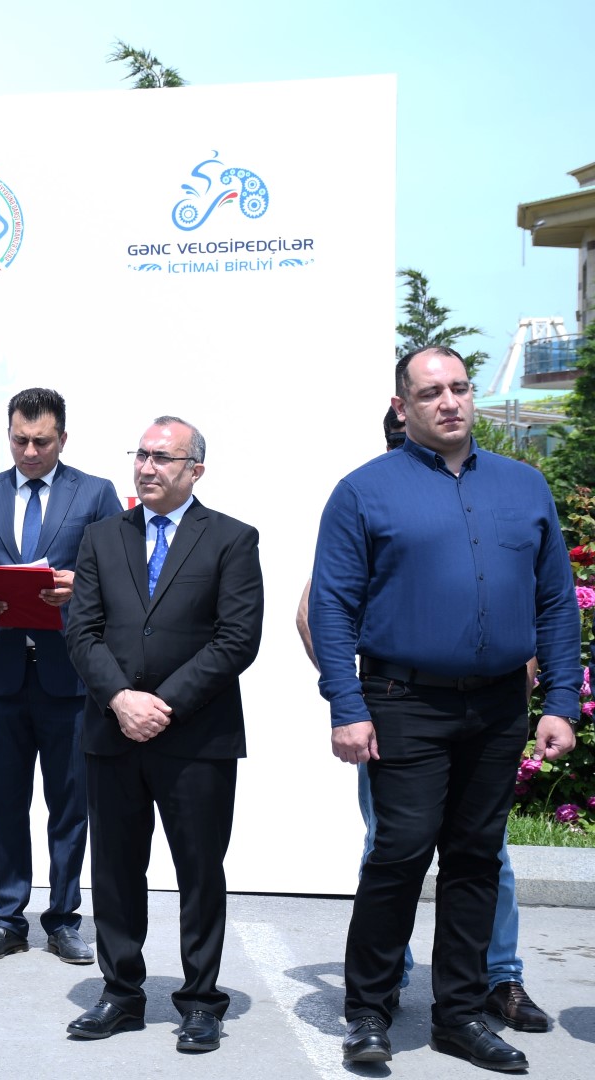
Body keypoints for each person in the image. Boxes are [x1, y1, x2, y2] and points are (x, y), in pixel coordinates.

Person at [309, 347, 580, 1071]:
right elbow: (331, 606)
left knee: (475, 858)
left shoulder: (524, 486)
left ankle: (459, 1015)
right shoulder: (363, 491)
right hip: (403, 702)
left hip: (498, 706)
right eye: (431, 393)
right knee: (399, 854)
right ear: (402, 408)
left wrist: (561, 701)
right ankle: (370, 1010)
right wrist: (345, 705)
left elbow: (556, 601)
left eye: (459, 387)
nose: (451, 402)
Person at [63, 416, 263, 1054]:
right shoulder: (101, 537)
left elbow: (237, 639)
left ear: (195, 470)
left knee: (199, 871)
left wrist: (163, 704)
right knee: (116, 870)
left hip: (197, 739)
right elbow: (81, 630)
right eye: (141, 455)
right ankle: (121, 994)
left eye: (162, 458)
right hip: (112, 730)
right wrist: (121, 699)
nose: (146, 467)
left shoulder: (232, 539)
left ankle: (201, 1001)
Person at [0, 387, 119, 965]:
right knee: (4, 804)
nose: (30, 452)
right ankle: (7, 918)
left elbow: (121, 574)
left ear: (63, 438)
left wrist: (79, 587)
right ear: (9, 435)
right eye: (20, 440)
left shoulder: (95, 493)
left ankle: (64, 919)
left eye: (42, 441)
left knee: (70, 807)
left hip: (71, 679)